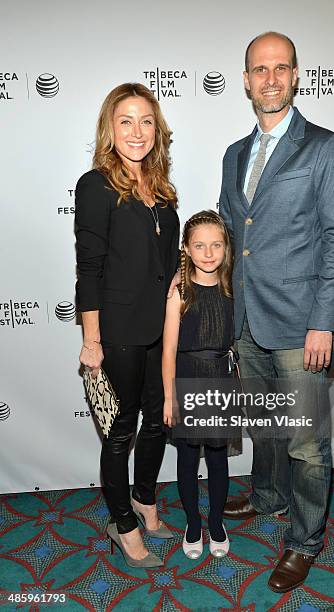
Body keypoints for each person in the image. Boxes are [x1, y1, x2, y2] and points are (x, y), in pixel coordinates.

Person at [219, 32, 334, 592]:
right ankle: (269, 497)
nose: (270, 79)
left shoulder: (324, 147)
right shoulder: (233, 154)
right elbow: (230, 235)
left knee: (304, 440)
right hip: (246, 317)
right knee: (266, 425)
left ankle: (303, 542)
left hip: (301, 323)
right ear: (246, 80)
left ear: (297, 76)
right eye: (259, 69)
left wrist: (324, 320)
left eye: (281, 68)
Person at [75, 82, 180, 568]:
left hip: (159, 329)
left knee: (158, 422)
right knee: (121, 430)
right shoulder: (96, 185)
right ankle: (122, 523)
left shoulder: (161, 191)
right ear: (109, 129)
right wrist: (91, 340)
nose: (137, 132)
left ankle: (144, 498)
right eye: (125, 121)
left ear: (156, 131)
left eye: (145, 122)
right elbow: (89, 269)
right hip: (117, 332)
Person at [162, 210, 237, 559]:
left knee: (219, 457)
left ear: (226, 248)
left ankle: (218, 522)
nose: (208, 253)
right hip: (187, 377)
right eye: (200, 245)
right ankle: (193, 523)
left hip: (221, 379)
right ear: (187, 250)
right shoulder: (179, 290)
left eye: (216, 245)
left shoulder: (230, 285)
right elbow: (168, 351)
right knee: (188, 457)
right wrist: (168, 398)